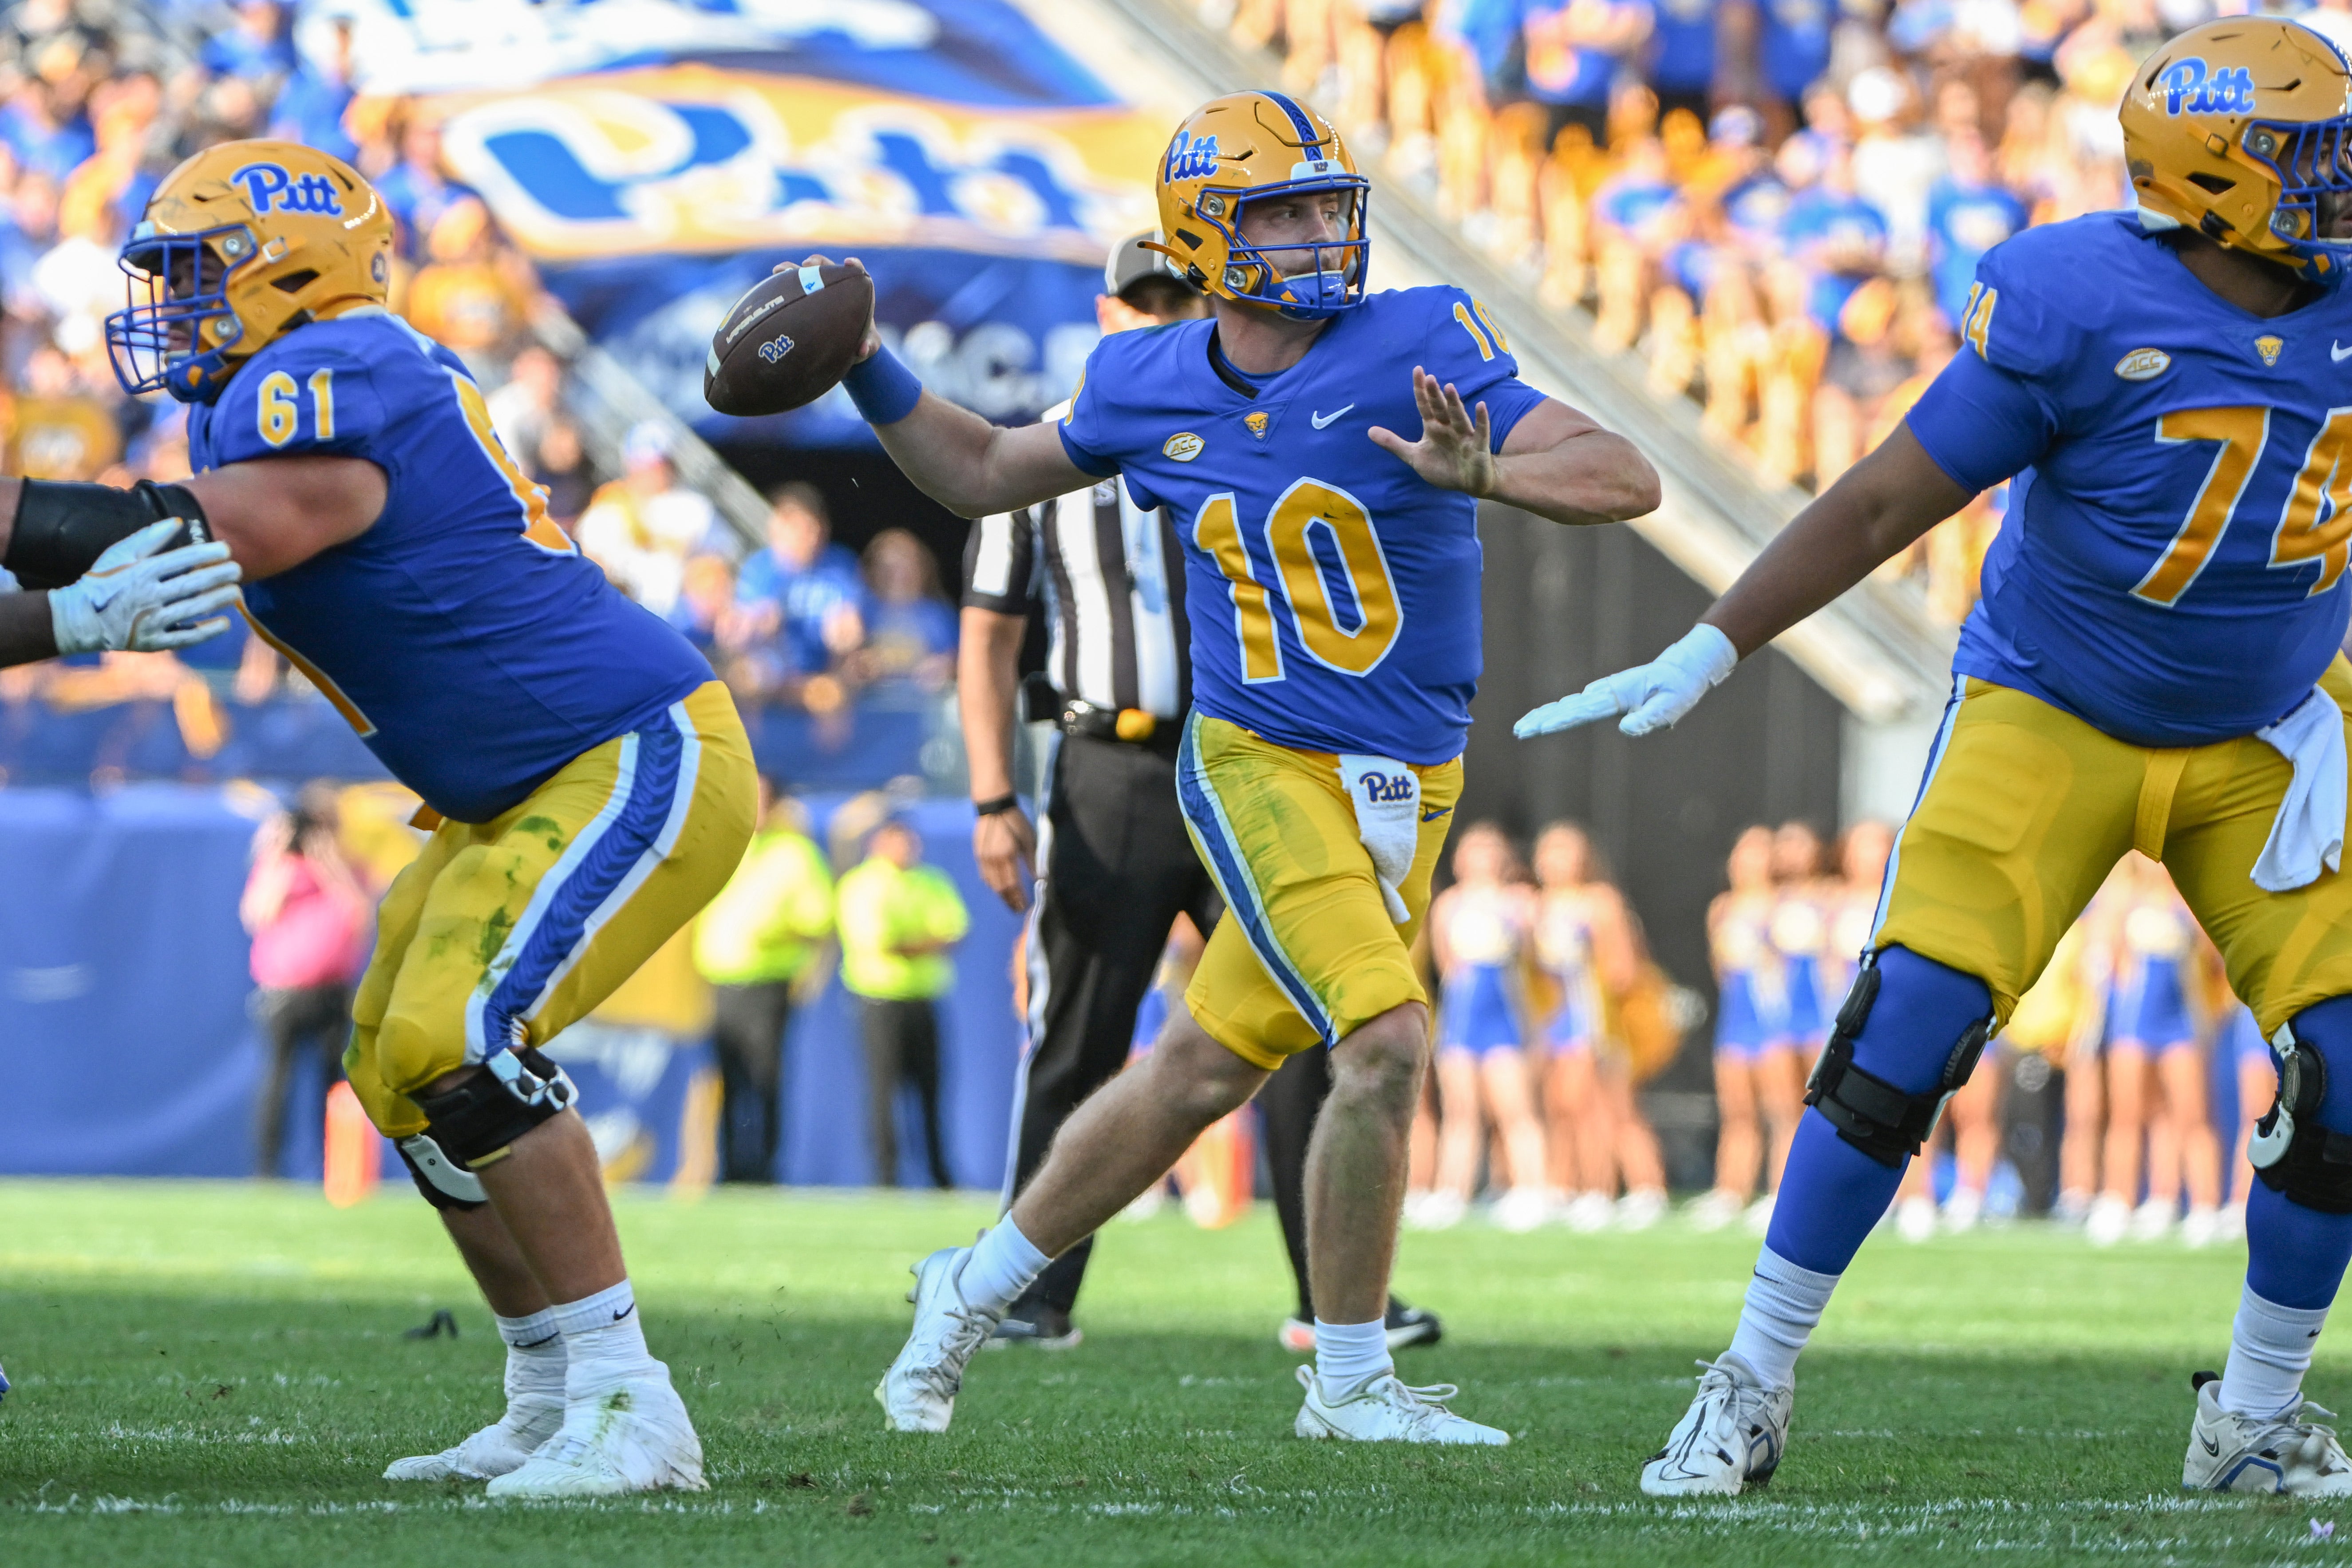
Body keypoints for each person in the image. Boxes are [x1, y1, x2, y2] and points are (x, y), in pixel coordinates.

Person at [1518, 18, 2352, 1497]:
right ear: (2214, 174)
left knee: (2347, 1069)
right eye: (2305, 151)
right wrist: (1714, 638)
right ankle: (1748, 1380)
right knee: (1899, 1032)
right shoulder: (2076, 298)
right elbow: (1878, 500)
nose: (2336, 174)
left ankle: (2251, 1414)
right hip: (2051, 710)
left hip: (2263, 732)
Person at [856, 88, 1656, 1443]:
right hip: (1260, 758)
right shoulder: (1138, 378)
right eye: (1275, 210)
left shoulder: (1418, 334)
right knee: (1387, 1041)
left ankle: (968, 1288)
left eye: (1318, 205)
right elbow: (984, 467)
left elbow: (1622, 472)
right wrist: (865, 368)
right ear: (1205, 236)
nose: (1310, 234)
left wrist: (1494, 479)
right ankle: (1348, 1380)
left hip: (1414, 775)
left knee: (1194, 1071)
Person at [17, 139, 756, 1496]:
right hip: (514, 788)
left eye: (195, 273)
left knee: (457, 1037)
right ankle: (547, 1388)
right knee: (395, 1067)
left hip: (623, 745)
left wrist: (34, 526)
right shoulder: (265, 388)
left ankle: (628, 1398)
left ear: (294, 263)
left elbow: (201, 527)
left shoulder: (343, 367)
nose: (168, 306)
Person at [961, 231, 1441, 1355]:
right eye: (1146, 298)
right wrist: (992, 793)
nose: (1166, 310)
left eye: (1184, 293)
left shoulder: (1265, 419)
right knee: (1078, 1030)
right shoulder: (1043, 452)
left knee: (1304, 1018)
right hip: (1115, 765)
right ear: (1105, 310)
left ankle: (1336, 1304)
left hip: (1255, 757)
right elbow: (989, 632)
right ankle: (1032, 1293)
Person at [691, 778, 834, 1184]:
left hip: (767, 983)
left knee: (765, 1077)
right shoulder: (721, 848)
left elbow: (819, 920)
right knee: (729, 1078)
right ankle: (731, 1167)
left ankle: (765, 1166)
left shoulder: (795, 853)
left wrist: (779, 930)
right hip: (720, 980)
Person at [1425, 822, 1551, 1231]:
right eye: (1471, 850)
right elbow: (1447, 966)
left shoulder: (1520, 903)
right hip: (1463, 1018)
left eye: (1488, 849)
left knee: (1515, 1108)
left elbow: (1532, 964)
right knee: (1461, 1110)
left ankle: (1532, 1188)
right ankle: (1452, 1191)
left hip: (1504, 1016)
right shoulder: (1448, 905)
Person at [242, 782, 370, 1178]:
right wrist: (275, 854)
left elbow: (359, 917)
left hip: (333, 991)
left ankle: (335, 1171)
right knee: (277, 1082)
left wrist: (329, 866)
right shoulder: (278, 867)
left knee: (334, 1088)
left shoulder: (349, 866)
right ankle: (268, 1173)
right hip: (284, 993)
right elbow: (257, 915)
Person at [836, 816, 969, 1189]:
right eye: (897, 842)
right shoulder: (862, 885)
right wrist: (925, 942)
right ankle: (886, 1177)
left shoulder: (931, 881)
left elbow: (955, 933)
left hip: (923, 999)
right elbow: (884, 943)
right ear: (878, 844)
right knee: (883, 1091)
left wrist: (915, 944)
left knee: (931, 1089)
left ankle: (940, 1174)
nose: (906, 850)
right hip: (879, 1001)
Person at [1688, 825, 1794, 1230]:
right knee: (1737, 1112)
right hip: (1737, 1020)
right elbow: (1723, 972)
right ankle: (1731, 1190)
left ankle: (1779, 1193)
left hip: (1775, 1022)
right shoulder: (1722, 908)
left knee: (1782, 1110)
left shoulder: (1784, 904)